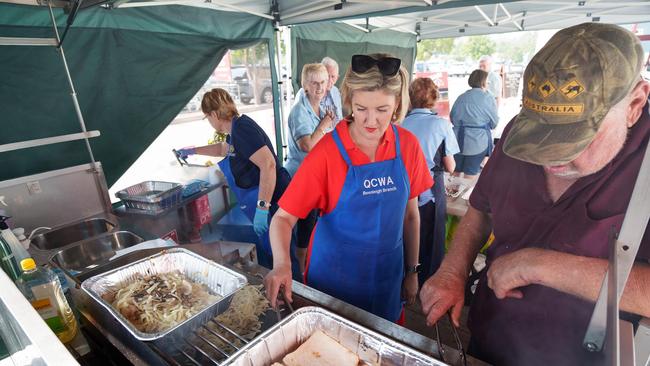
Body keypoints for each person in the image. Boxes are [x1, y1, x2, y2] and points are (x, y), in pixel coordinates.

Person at [420, 22, 650, 366]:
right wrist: (453, 270)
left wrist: (537, 265)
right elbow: (481, 210)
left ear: (634, 103)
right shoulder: (518, 130)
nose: (550, 157)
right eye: (542, 136)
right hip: (491, 338)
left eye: (575, 138)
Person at [265, 54, 433, 323]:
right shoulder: (328, 152)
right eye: (361, 108)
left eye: (382, 110)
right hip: (335, 282)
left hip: (387, 279)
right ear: (349, 101)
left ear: (398, 104)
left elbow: (411, 215)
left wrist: (412, 271)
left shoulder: (408, 145)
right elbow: (283, 218)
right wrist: (282, 264)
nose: (370, 121)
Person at [175, 88, 301, 280]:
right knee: (275, 255)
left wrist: (262, 207)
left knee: (283, 257)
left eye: (207, 117)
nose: (209, 122)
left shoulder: (242, 128)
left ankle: (296, 293)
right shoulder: (234, 131)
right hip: (266, 200)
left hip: (272, 201)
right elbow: (222, 149)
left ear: (215, 114)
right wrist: (193, 150)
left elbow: (268, 165)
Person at [402, 78, 459, 286]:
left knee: (406, 234)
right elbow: (450, 165)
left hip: (404, 188)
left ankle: (407, 276)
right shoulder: (441, 125)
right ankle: (428, 281)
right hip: (430, 189)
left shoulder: (401, 123)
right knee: (432, 239)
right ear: (434, 98)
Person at [285, 63, 335, 272]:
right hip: (301, 177)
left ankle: (309, 267)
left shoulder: (321, 108)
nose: (319, 87)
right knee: (305, 230)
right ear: (305, 85)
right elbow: (307, 145)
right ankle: (304, 273)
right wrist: (323, 125)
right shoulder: (299, 111)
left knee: (313, 225)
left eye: (323, 82)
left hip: (318, 177)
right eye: (314, 83)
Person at [450, 70, 498, 179]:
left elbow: (452, 118)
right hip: (478, 142)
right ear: (483, 82)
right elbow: (494, 123)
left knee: (456, 172)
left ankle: (452, 194)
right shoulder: (488, 98)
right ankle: (464, 196)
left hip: (457, 141)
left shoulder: (461, 97)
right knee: (470, 174)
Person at [294, 57, 344, 122]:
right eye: (327, 76)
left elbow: (339, 117)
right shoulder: (305, 93)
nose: (330, 80)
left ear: (337, 77)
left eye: (333, 77)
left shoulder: (335, 91)